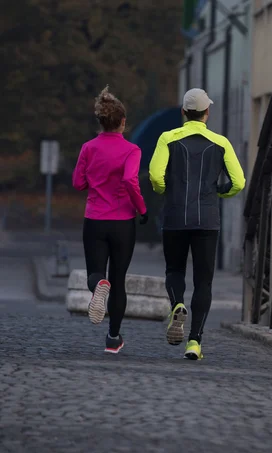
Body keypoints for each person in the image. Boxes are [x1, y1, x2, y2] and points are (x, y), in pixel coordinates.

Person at [149, 88, 245, 360]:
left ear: (183, 112)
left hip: (175, 215)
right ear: (207, 113)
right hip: (207, 219)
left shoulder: (167, 138)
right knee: (204, 281)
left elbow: (156, 176)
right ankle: (194, 342)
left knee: (174, 269)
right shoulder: (221, 142)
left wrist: (165, 191)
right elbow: (238, 182)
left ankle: (177, 304)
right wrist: (220, 192)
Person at [73, 86, 148, 354]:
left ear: (101, 121)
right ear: (123, 122)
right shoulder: (132, 150)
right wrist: (141, 208)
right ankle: (113, 338)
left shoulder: (88, 148)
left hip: (94, 219)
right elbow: (130, 180)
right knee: (119, 278)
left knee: (96, 273)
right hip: (123, 221)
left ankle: (98, 287)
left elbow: (78, 183)